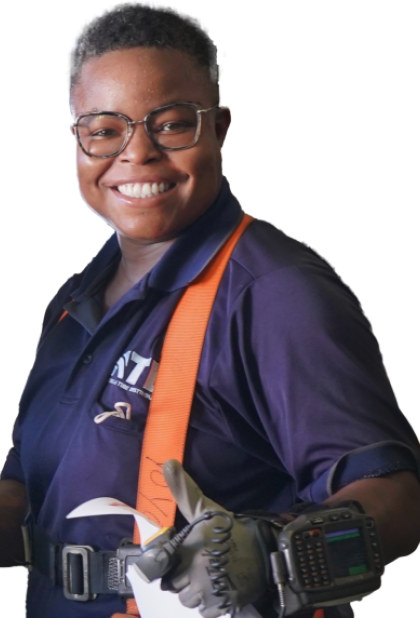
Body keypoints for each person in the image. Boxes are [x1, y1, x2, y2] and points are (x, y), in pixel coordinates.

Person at [1, 2, 419, 617]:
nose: (136, 154)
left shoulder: (274, 293)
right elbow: (33, 482)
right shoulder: (73, 302)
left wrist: (269, 552)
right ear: (78, 141)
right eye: (105, 130)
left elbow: (399, 499)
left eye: (171, 125)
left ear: (219, 129)